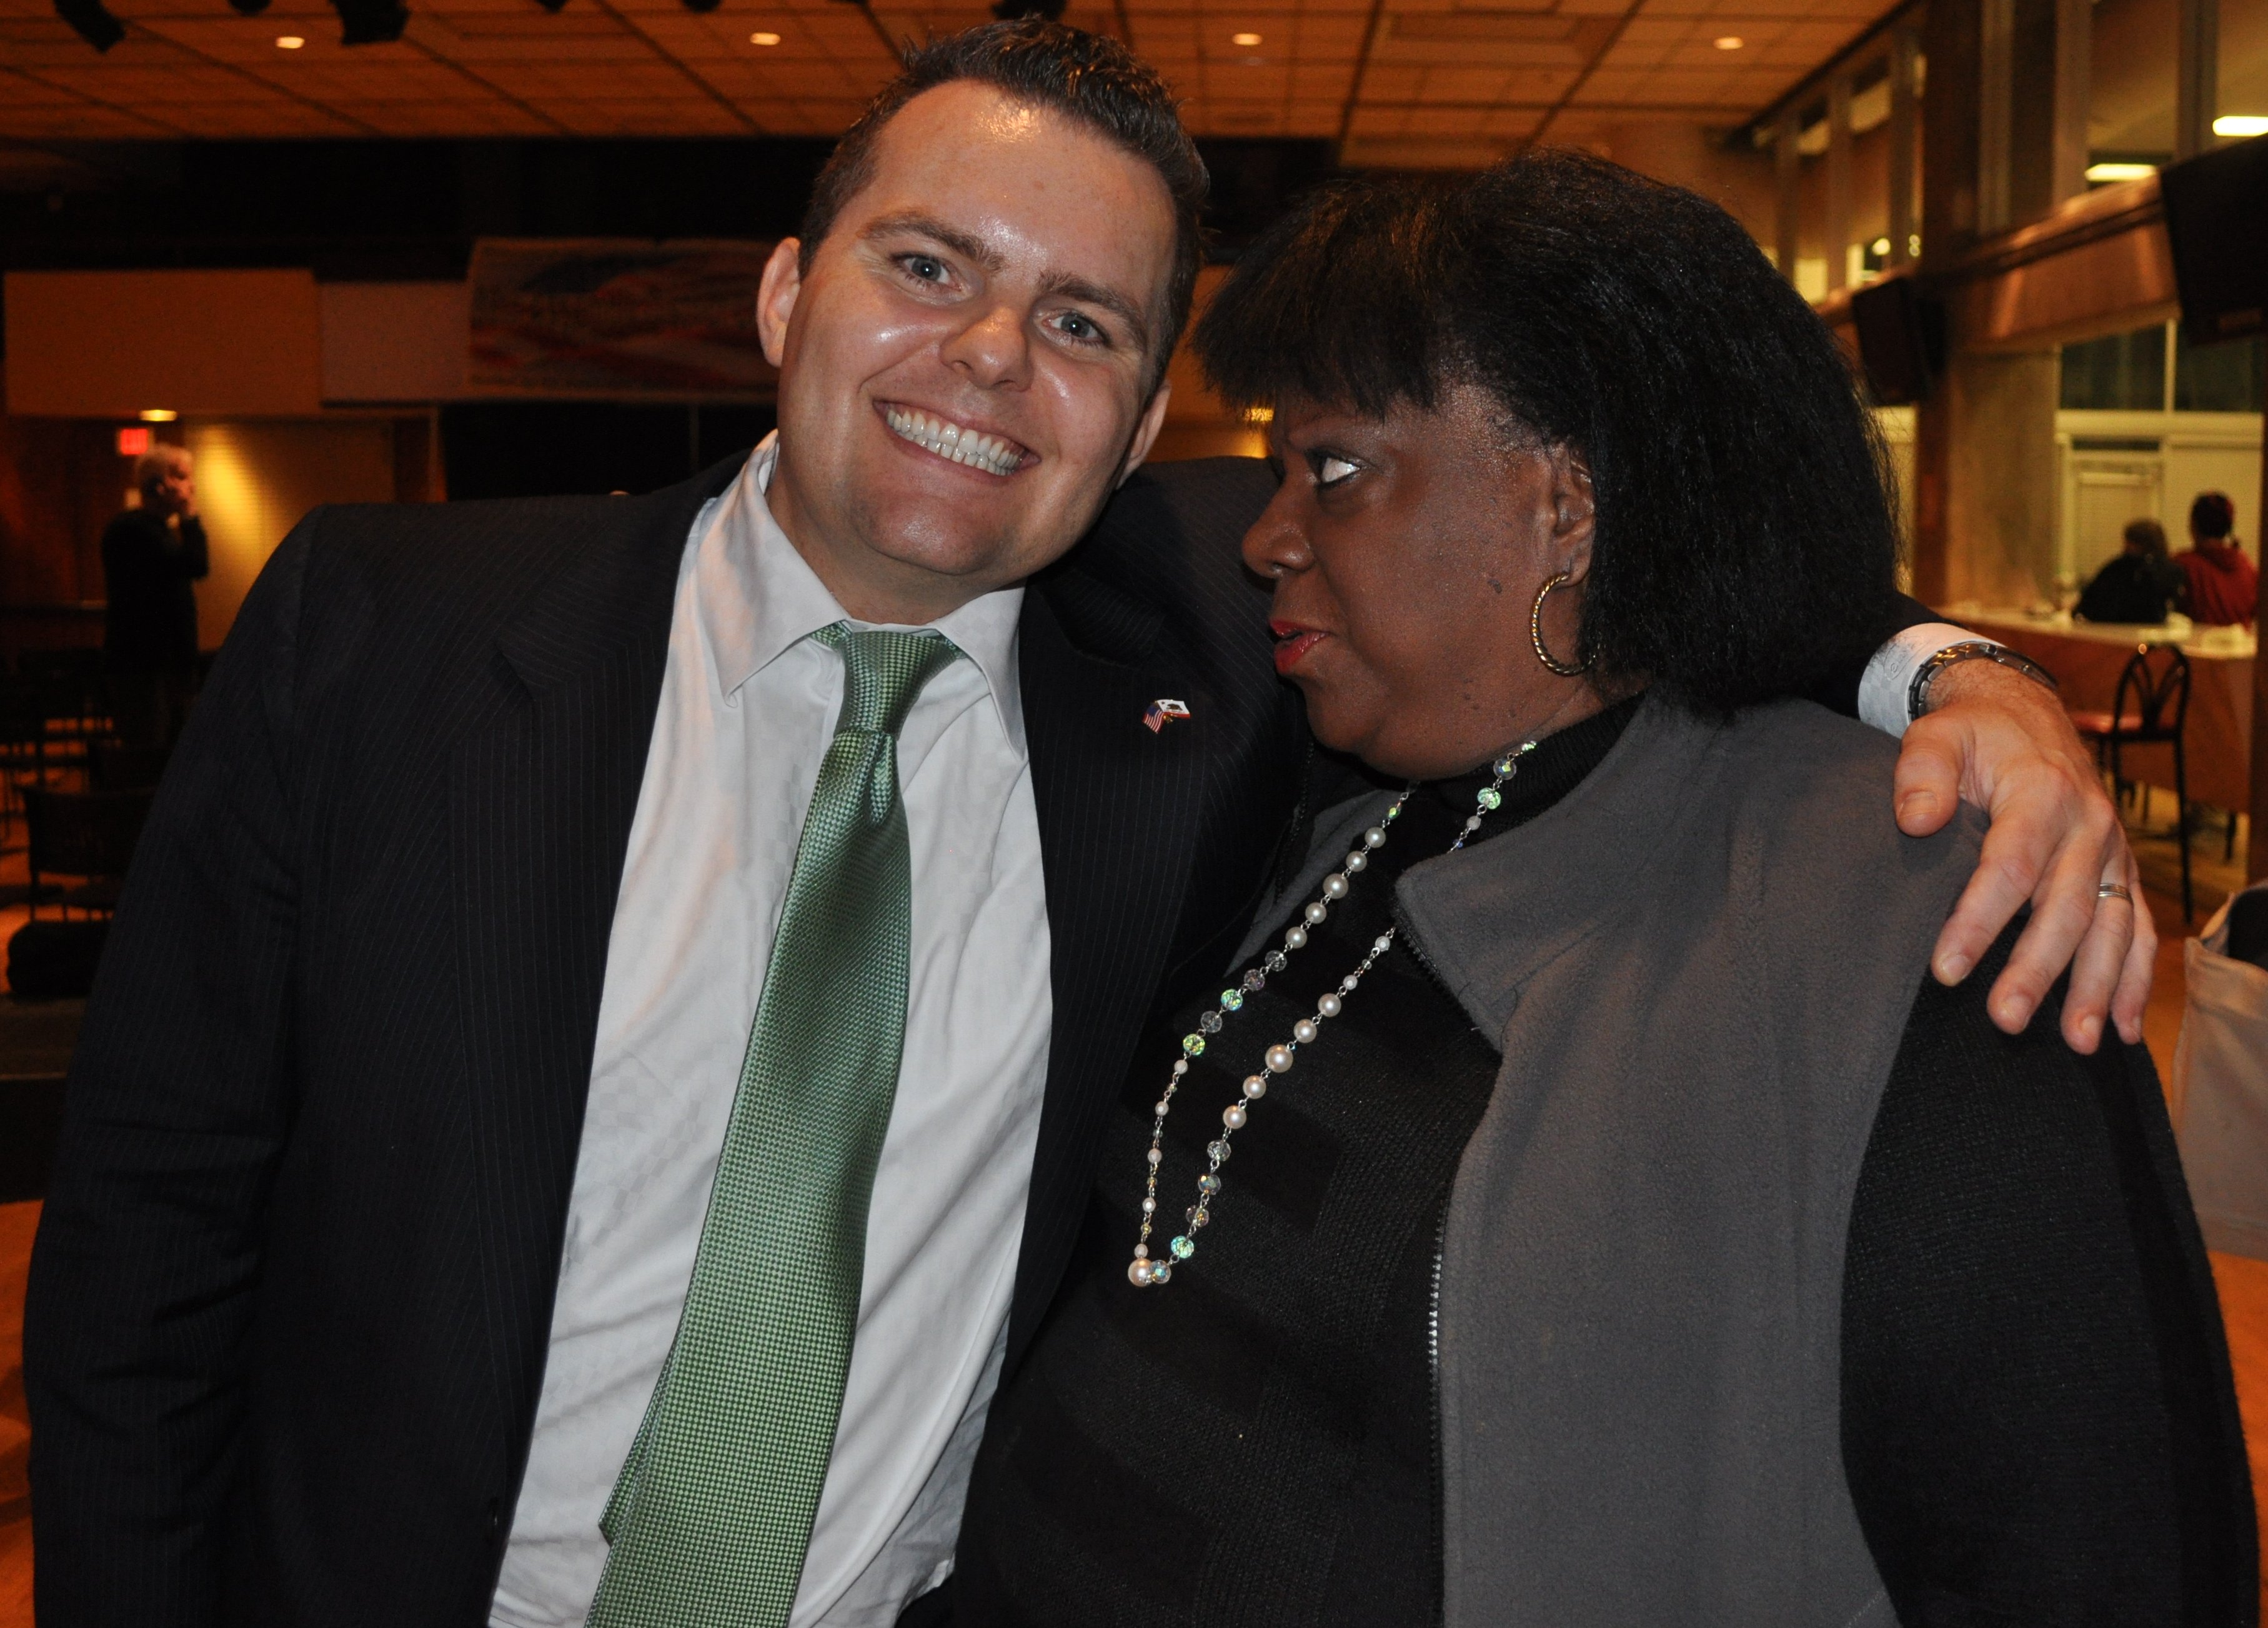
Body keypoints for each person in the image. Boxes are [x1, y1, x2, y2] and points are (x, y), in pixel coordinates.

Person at [25, 25, 2148, 1628]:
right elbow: (149, 1247)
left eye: (1079, 324)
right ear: (783, 294)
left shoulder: (1216, 656)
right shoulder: (381, 633)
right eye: (925, 263)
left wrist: (1951, 675)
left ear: (1138, 427)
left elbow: (1615, 550)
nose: (985, 357)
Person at [951, 160, 2256, 1626]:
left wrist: (1964, 679)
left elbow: (2102, 1556)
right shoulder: (1308, 784)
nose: (1266, 535)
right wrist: (1943, 659)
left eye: (1332, 469)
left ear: (1565, 507)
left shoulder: (1908, 914)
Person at [101, 442, 209, 747]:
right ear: (159, 485)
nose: (192, 487)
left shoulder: (159, 531)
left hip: (169, 665)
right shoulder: (132, 530)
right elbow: (196, 565)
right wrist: (189, 517)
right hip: (144, 668)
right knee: (150, 753)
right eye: (182, 477)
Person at [2076, 517, 2184, 624]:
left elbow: (2090, 601)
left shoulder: (2118, 568)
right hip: (2153, 627)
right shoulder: (2172, 570)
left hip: (2114, 626)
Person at [2176, 491, 2258, 626]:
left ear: (2193, 526)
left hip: (2198, 639)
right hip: (2243, 639)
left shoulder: (2183, 566)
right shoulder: (2246, 567)